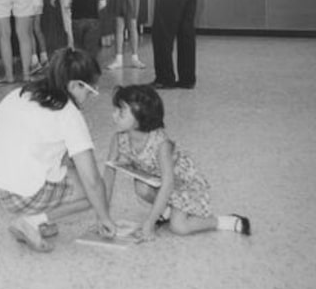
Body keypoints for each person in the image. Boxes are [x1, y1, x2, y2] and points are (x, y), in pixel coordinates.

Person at [0, 48, 117, 253]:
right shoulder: (67, 112)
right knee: (95, 191)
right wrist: (104, 217)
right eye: (89, 90)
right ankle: (31, 221)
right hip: (18, 193)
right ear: (74, 85)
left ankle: (38, 218)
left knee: (61, 164)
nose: (89, 96)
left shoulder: (19, 93)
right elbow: (92, 181)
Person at [105, 84, 251, 240]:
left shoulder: (161, 144)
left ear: (141, 116)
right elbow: (109, 174)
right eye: (115, 109)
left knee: (178, 227)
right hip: (160, 183)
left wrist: (150, 222)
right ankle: (167, 210)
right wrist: (103, 214)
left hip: (183, 185)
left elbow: (169, 184)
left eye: (121, 111)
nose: (114, 115)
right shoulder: (118, 139)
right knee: (141, 187)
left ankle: (223, 221)